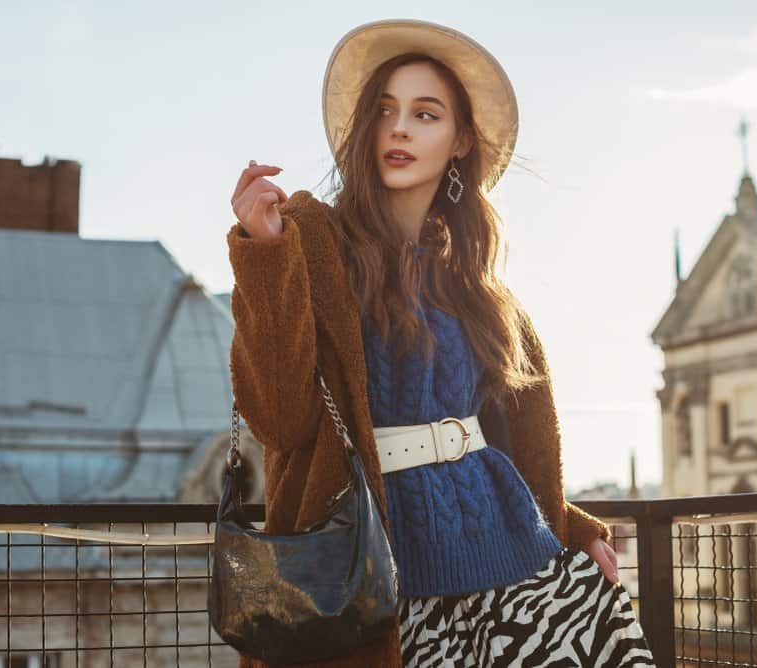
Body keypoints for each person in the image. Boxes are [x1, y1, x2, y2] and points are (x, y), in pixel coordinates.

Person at [226, 18, 655, 668]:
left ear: (458, 142)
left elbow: (520, 445)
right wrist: (264, 254)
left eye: (425, 113)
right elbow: (279, 419)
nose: (399, 128)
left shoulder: (480, 286)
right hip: (369, 588)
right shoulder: (307, 243)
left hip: (512, 572)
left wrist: (571, 527)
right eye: (385, 110)